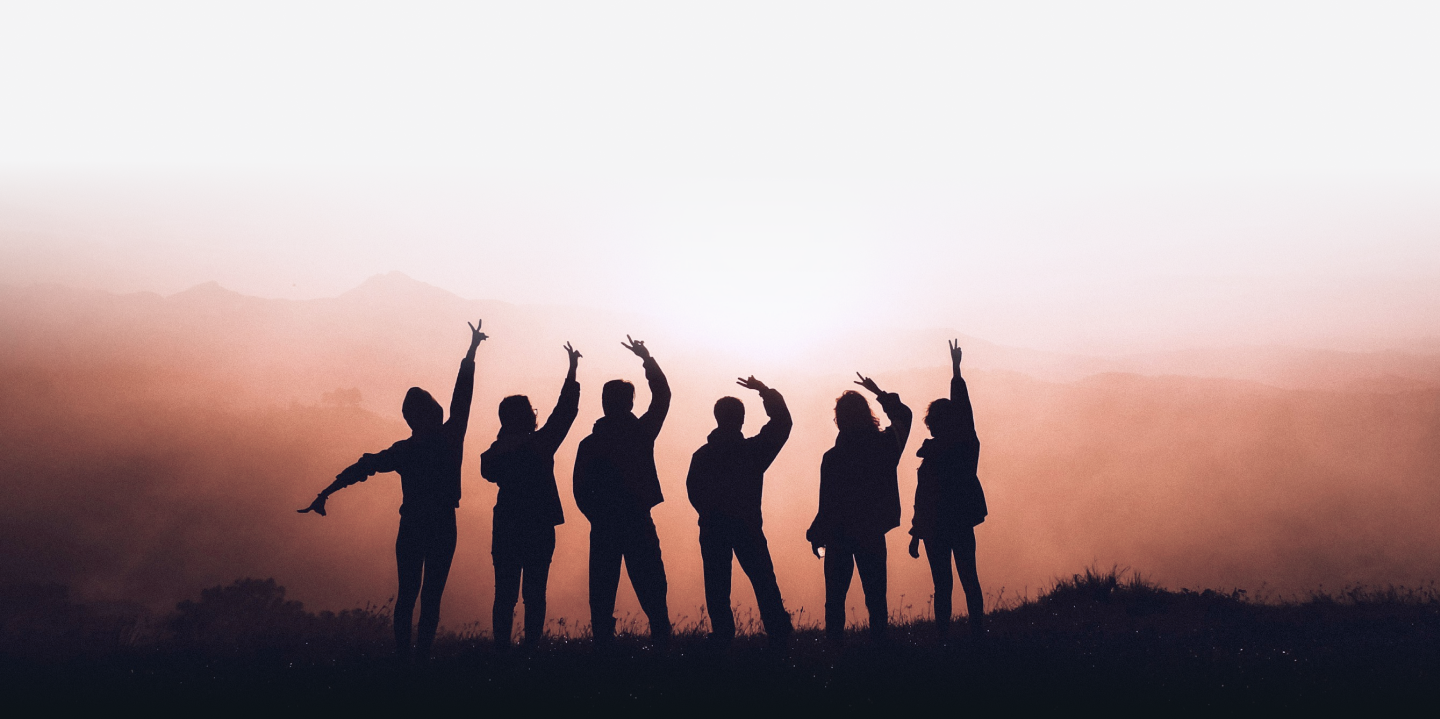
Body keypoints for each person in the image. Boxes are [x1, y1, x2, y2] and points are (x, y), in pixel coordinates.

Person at [299, 320, 486, 662]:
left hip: (414, 524)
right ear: (433, 413)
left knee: (409, 596)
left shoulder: (406, 450)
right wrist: (471, 353)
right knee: (429, 597)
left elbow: (363, 466)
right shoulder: (448, 439)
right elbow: (463, 398)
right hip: (442, 524)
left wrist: (326, 492)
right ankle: (419, 660)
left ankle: (405, 661)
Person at [481, 342, 583, 649]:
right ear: (528, 417)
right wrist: (573, 371)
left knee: (505, 595)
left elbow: (488, 470)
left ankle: (502, 649)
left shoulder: (494, 453)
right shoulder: (540, 445)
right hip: (539, 527)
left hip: (507, 526)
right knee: (535, 594)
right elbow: (565, 413)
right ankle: (531, 650)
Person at [573, 336, 672, 645]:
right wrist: (647, 358)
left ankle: (603, 644)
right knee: (651, 584)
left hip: (604, 524)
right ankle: (661, 640)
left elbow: (580, 489)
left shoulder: (591, 443)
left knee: (602, 588)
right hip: (636, 519)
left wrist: (596, 515)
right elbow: (663, 396)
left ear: (605, 402)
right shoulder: (640, 433)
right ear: (629, 402)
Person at [686, 376, 794, 648]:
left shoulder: (702, 456)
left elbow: (693, 491)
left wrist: (710, 513)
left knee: (717, 584)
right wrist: (764, 391)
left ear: (716, 418)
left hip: (713, 527)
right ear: (742, 419)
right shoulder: (753, 452)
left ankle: (723, 635)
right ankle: (779, 631)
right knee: (763, 580)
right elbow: (783, 423)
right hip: (747, 526)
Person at [806, 372, 912, 642]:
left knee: (835, 600)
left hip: (839, 536)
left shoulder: (832, 458)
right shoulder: (886, 446)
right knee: (876, 597)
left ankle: (833, 651)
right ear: (867, 415)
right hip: (872, 531)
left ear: (839, 420)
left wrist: (817, 534)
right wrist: (879, 393)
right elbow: (905, 416)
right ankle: (880, 651)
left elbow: (827, 503)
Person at [907, 340, 987, 640]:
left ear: (931, 425)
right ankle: (976, 634)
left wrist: (917, 532)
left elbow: (923, 500)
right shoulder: (965, 447)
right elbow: (965, 412)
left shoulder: (947, 450)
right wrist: (955, 371)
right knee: (968, 579)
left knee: (945, 584)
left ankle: (944, 638)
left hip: (936, 528)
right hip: (958, 523)